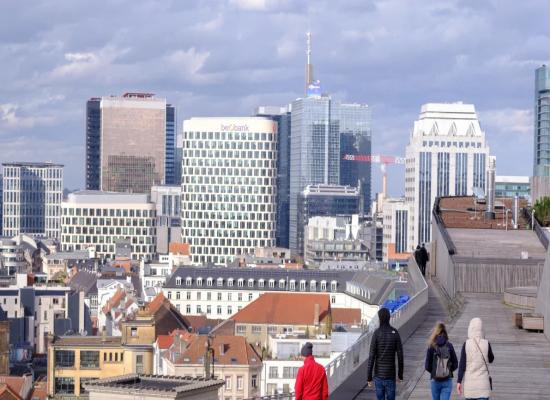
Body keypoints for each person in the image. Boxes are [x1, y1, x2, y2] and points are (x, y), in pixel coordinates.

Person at [367, 307, 404, 400]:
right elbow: (400, 356)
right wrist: (400, 375)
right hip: (390, 375)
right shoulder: (395, 333)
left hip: (378, 375)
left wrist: (369, 377)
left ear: (379, 318)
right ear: (389, 317)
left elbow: (371, 356)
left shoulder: (376, 333)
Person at [457, 318, 494, 400]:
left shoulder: (466, 344)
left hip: (470, 387)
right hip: (483, 385)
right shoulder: (486, 343)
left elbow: (462, 365)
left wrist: (459, 381)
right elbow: (491, 359)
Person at [425, 322, 458, 400]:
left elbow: (427, 366)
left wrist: (434, 371)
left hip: (435, 381)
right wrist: (448, 370)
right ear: (445, 332)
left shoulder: (431, 346)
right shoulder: (449, 345)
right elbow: (456, 363)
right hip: (447, 379)